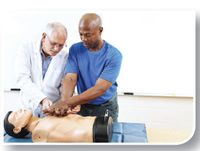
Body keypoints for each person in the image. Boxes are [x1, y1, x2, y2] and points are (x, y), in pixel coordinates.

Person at [44, 13, 122, 122]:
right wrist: (64, 106)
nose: (83, 39)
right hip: (82, 104)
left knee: (105, 137)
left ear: (100, 30)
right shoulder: (75, 49)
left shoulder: (114, 55)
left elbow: (99, 89)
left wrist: (68, 103)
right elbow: (70, 79)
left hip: (105, 106)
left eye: (88, 35)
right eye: (80, 34)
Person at [15, 22, 79, 117]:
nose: (56, 49)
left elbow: (65, 86)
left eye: (61, 45)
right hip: (29, 109)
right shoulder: (26, 49)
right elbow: (22, 79)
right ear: (44, 36)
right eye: (53, 43)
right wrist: (42, 99)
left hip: (52, 113)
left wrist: (69, 102)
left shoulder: (65, 57)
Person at [4, 109, 113, 142]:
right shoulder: (39, 135)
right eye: (15, 116)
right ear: (17, 129)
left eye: (16, 111)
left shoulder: (45, 120)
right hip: (97, 132)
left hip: (99, 122)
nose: (19, 111)